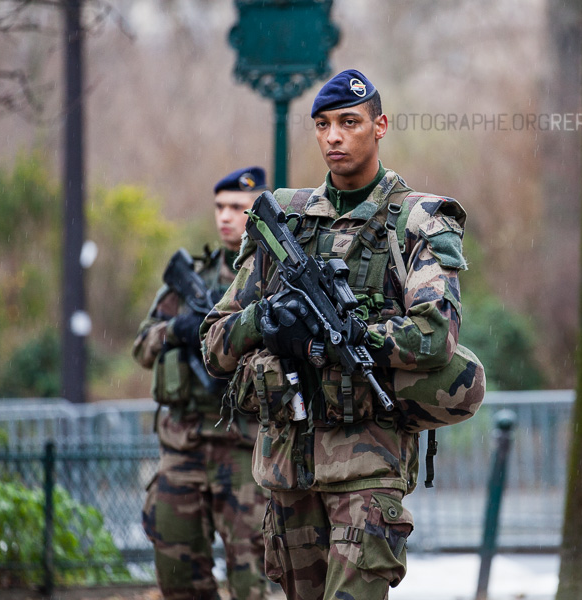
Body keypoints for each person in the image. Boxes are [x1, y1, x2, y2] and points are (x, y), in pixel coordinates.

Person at [201, 69, 469, 599]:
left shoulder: (417, 220)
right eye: (322, 125)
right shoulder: (286, 221)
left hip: (367, 469)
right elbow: (215, 344)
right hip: (285, 470)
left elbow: (435, 334)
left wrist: (346, 337)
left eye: (349, 122)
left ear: (380, 126)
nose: (333, 137)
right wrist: (267, 321)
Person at [133, 167, 270, 600]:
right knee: (177, 575)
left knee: (254, 580)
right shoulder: (192, 279)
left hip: (245, 450)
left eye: (237, 208)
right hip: (184, 446)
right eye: (220, 207)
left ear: (258, 212)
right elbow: (142, 347)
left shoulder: (272, 275)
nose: (226, 217)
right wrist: (178, 329)